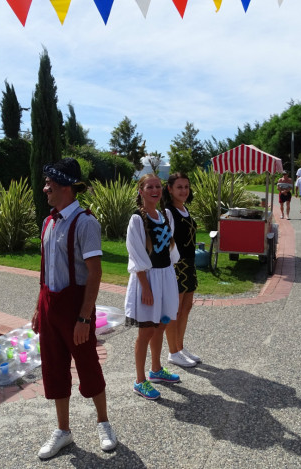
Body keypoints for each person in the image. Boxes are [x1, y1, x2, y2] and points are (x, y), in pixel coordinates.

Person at [32, 158, 117, 459]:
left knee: (88, 365)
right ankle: (63, 430)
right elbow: (45, 269)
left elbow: (95, 273)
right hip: (50, 306)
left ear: (66, 187)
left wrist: (84, 317)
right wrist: (38, 308)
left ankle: (104, 423)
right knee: (54, 368)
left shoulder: (85, 222)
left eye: (50, 185)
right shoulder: (48, 222)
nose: (45, 189)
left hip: (75, 309)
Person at [125, 173, 181, 400]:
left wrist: (170, 279)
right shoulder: (137, 219)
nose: (155, 190)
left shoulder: (166, 215)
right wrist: (146, 288)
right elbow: (136, 254)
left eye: (158, 186)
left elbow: (170, 249)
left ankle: (156, 369)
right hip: (148, 280)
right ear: (141, 191)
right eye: (150, 187)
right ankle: (140, 381)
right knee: (147, 330)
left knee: (162, 324)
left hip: (165, 277)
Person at [163, 173, 201, 368]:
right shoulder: (168, 212)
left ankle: (180, 347)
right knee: (174, 311)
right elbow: (165, 241)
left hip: (189, 263)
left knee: (186, 308)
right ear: (170, 189)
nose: (184, 190)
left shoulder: (185, 209)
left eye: (186, 187)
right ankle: (173, 352)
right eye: (179, 187)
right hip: (176, 266)